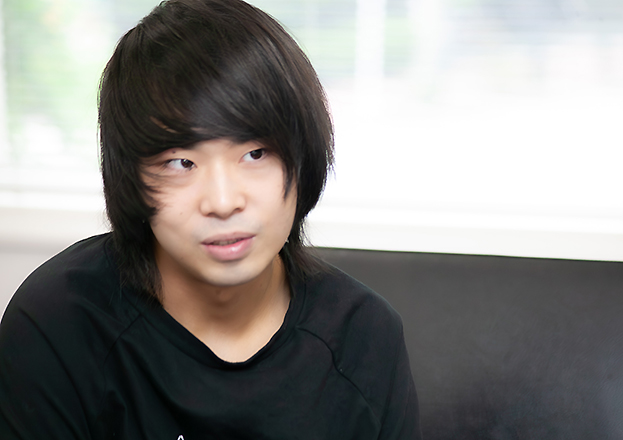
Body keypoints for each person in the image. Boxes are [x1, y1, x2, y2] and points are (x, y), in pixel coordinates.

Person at [0, 0, 421, 438]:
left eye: (255, 154)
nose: (222, 202)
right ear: (130, 179)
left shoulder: (364, 339)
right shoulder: (58, 326)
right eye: (181, 162)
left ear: (305, 157)